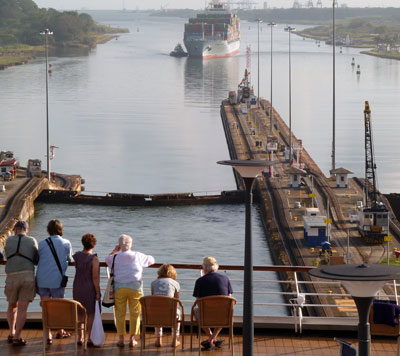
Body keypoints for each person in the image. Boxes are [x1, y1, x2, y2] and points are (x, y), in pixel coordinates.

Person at [105, 234, 154, 348]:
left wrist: (114, 250)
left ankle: (121, 338)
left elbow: (107, 260)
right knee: (135, 313)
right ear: (130, 244)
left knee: (120, 313)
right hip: (135, 288)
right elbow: (151, 260)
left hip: (119, 288)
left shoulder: (115, 257)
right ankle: (132, 338)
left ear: (119, 245)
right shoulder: (137, 255)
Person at [36, 219, 73, 344]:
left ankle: (48, 335)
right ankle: (60, 331)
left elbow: (38, 258)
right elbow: (69, 258)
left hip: (42, 279)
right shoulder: (66, 243)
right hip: (57, 279)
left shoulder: (41, 243)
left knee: (45, 307)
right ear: (60, 229)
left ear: (48, 230)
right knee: (58, 307)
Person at [4, 221, 38, 346]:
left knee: (11, 305)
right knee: (22, 309)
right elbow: (36, 258)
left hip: (11, 276)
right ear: (26, 230)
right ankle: (17, 337)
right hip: (27, 276)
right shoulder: (32, 240)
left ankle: (11, 332)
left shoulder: (8, 240)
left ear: (15, 230)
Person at [193, 256, 233, 350]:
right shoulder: (225, 279)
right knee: (225, 313)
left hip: (205, 315)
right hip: (223, 315)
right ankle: (213, 339)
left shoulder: (199, 281)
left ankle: (210, 339)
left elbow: (198, 301)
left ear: (204, 268)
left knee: (197, 312)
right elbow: (229, 299)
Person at [72, 233, 100, 346]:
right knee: (90, 314)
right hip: (89, 287)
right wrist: (97, 292)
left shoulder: (77, 255)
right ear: (93, 245)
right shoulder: (94, 259)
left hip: (77, 286)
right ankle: (89, 338)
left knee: (80, 313)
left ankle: (80, 337)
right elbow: (95, 277)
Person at [151, 264, 181, 348]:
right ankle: (174, 339)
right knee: (178, 314)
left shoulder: (153, 283)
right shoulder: (175, 283)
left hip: (157, 310)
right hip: (170, 311)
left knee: (157, 312)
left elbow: (153, 298)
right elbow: (177, 300)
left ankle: (158, 339)